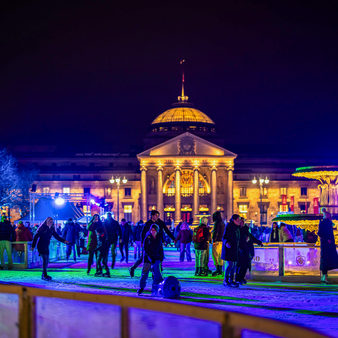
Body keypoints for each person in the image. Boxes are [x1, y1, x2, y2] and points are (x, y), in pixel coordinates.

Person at [129, 210, 176, 277]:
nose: (157, 217)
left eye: (158, 215)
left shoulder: (160, 222)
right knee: (143, 258)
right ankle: (132, 268)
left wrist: (173, 238)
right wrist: (142, 241)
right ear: (152, 216)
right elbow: (143, 232)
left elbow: (167, 231)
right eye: (156, 215)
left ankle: (156, 271)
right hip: (149, 243)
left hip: (158, 242)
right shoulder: (148, 223)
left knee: (160, 256)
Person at [137, 223, 164, 296]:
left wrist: (161, 257)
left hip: (156, 258)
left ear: (157, 231)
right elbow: (146, 250)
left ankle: (157, 288)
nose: (153, 231)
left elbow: (161, 249)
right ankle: (141, 287)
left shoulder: (159, 238)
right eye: (152, 230)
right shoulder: (147, 238)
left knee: (157, 274)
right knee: (145, 273)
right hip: (148, 259)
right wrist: (150, 258)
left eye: (154, 230)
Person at [235, 217, 263, 284]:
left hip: (246, 250)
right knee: (240, 265)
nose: (241, 223)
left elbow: (251, 237)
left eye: (242, 222)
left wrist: (259, 242)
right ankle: (238, 278)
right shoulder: (237, 230)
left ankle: (241, 278)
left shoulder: (245, 230)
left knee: (245, 265)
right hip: (240, 250)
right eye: (240, 222)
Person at [318, 211, 338, 283]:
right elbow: (320, 233)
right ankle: (324, 277)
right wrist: (327, 239)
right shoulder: (324, 223)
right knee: (326, 259)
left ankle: (324, 277)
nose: (330, 217)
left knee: (328, 259)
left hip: (329, 244)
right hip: (326, 244)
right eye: (329, 216)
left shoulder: (327, 223)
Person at [221, 214, 241, 287]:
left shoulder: (237, 227)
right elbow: (224, 237)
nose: (239, 222)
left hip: (235, 249)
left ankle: (231, 280)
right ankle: (225, 280)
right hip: (229, 249)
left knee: (234, 265)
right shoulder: (229, 226)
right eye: (238, 220)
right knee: (230, 265)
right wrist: (226, 243)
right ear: (234, 220)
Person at [211, 211, 225, 276]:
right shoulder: (223, 223)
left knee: (215, 255)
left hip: (217, 241)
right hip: (221, 241)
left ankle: (218, 269)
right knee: (220, 256)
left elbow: (215, 232)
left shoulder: (217, 223)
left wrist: (214, 240)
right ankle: (220, 270)